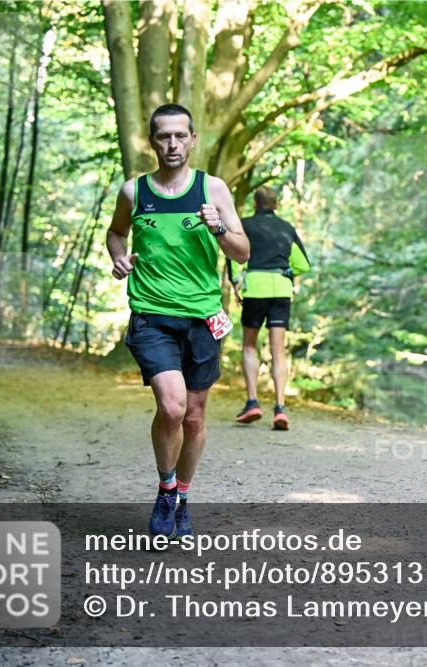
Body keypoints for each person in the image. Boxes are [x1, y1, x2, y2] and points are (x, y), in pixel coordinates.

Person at [106, 103, 249, 538]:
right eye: (163, 136)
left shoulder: (213, 189)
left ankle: (182, 495)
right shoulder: (135, 192)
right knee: (172, 406)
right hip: (152, 314)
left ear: (192, 140)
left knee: (194, 417)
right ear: (152, 141)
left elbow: (242, 252)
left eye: (179, 136)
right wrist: (118, 257)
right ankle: (166, 489)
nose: (172, 144)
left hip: (203, 316)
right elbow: (116, 233)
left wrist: (219, 227)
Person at [227, 186, 310, 430]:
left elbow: (234, 256)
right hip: (281, 291)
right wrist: (288, 272)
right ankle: (280, 407)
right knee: (279, 351)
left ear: (256, 203)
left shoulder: (245, 225)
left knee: (250, 345)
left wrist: (235, 283)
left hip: (256, 289)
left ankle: (253, 401)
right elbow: (303, 264)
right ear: (275, 205)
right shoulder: (287, 228)